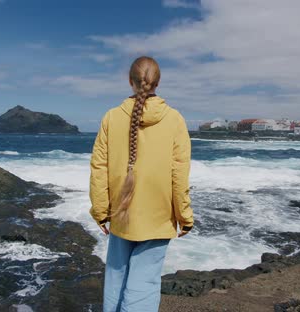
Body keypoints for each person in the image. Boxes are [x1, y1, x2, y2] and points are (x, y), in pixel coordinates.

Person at [89, 56, 194, 312]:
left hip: (121, 213)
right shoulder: (174, 119)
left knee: (116, 278)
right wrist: (184, 216)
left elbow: (98, 169)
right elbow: (179, 175)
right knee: (143, 282)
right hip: (158, 216)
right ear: (158, 82)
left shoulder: (111, 117)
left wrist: (101, 212)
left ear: (129, 81)